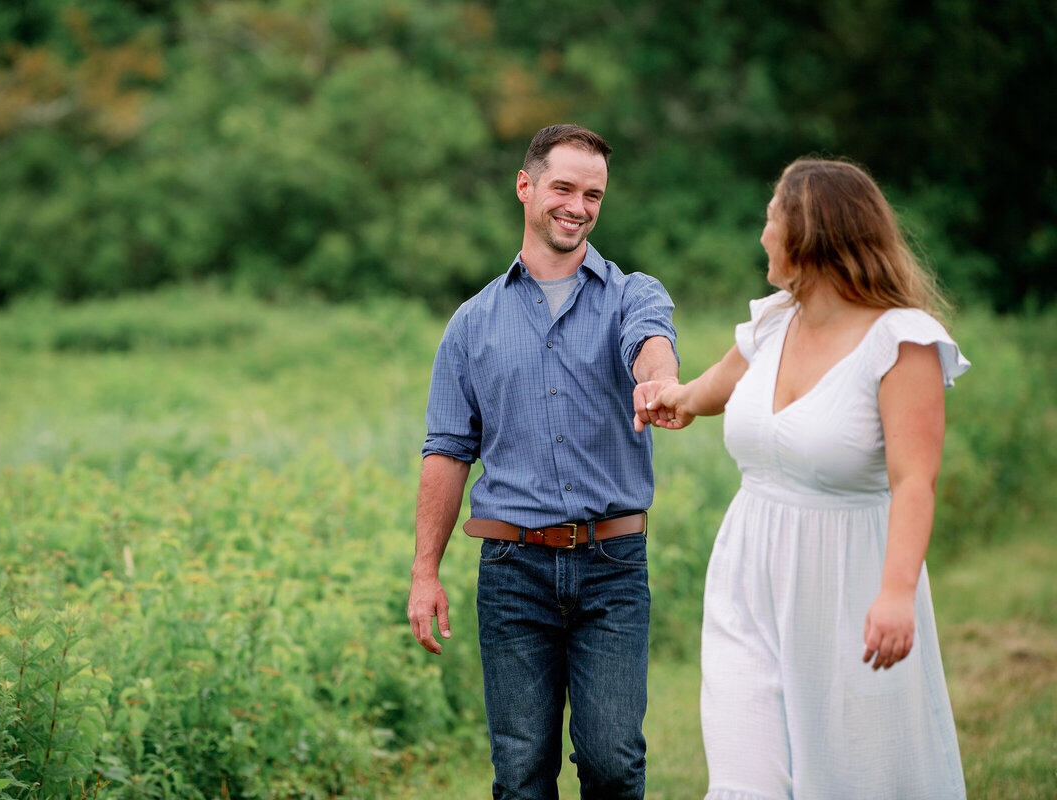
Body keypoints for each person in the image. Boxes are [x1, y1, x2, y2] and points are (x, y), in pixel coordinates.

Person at [644, 157, 968, 799]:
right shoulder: (774, 321)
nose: (763, 233)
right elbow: (715, 387)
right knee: (745, 778)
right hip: (747, 577)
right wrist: (673, 397)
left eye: (772, 218)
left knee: (858, 775)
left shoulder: (903, 343)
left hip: (850, 583)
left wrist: (897, 591)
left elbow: (913, 482)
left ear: (807, 234)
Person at [407, 123, 679, 799]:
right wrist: (425, 572)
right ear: (526, 187)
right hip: (511, 570)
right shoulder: (471, 323)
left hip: (612, 566)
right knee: (522, 770)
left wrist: (657, 381)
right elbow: (447, 449)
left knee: (614, 762)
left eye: (594, 194)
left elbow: (652, 345)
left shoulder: (631, 294)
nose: (579, 206)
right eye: (564, 187)